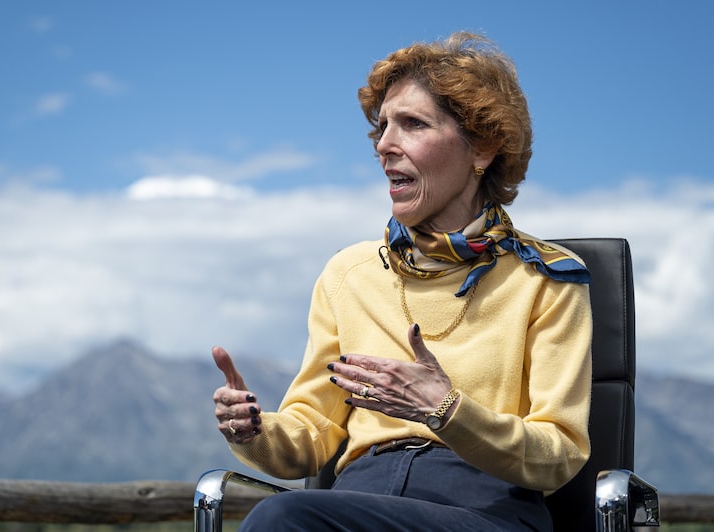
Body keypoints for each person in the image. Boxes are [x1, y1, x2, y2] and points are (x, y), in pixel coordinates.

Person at [211, 31, 592, 531]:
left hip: (485, 510)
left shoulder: (546, 277)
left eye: (412, 124)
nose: (385, 145)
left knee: (282, 518)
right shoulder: (348, 274)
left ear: (482, 147)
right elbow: (312, 433)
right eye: (382, 127)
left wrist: (446, 410)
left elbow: (559, 455)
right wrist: (254, 430)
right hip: (357, 503)